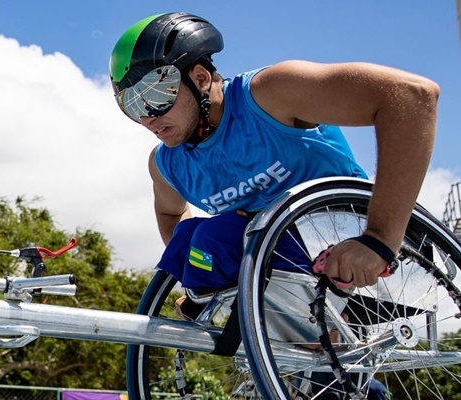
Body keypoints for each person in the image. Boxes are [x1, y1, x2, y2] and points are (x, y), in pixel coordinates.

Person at [109, 12, 436, 400]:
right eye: (130, 103)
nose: (146, 115)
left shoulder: (271, 94)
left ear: (199, 78)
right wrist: (203, 278)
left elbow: (414, 96)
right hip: (278, 275)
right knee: (194, 240)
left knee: (219, 237)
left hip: (369, 258)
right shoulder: (167, 164)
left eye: (155, 93)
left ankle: (305, 334)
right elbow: (169, 212)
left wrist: (380, 238)